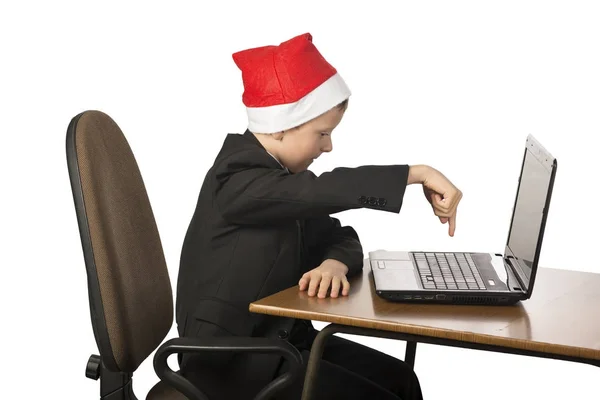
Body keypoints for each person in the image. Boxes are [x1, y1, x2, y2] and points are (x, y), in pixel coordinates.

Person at [175, 32, 462, 400]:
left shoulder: (278, 182)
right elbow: (320, 190)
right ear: (279, 125)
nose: (328, 146)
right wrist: (413, 173)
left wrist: (333, 264)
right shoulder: (237, 178)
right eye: (322, 133)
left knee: (401, 381)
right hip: (230, 361)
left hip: (282, 343)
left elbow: (341, 235)